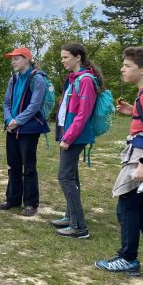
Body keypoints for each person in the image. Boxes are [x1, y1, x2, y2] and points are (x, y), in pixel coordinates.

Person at [95, 47, 143, 275]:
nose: (122, 69)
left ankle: (128, 259)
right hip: (140, 153)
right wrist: (133, 111)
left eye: (127, 66)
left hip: (140, 155)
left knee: (126, 206)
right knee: (142, 211)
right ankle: (128, 257)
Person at [51, 43, 104, 239]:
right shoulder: (74, 79)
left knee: (65, 177)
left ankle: (79, 227)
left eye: (66, 57)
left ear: (78, 57)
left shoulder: (86, 80)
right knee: (71, 176)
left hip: (76, 136)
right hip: (70, 133)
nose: (63, 60)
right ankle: (70, 216)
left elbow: (83, 113)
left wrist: (68, 137)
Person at [0, 47, 49, 217]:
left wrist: (16, 121)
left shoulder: (38, 78)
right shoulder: (13, 78)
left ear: (27, 59)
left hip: (28, 128)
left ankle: (31, 203)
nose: (13, 62)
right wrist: (8, 120)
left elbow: (35, 106)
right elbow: (6, 103)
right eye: (12, 59)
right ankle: (12, 199)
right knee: (13, 165)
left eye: (16, 59)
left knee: (29, 166)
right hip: (12, 128)